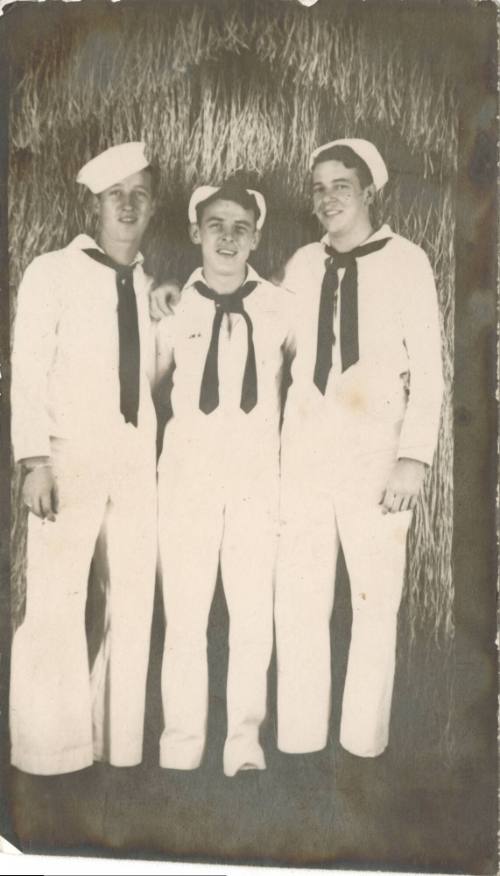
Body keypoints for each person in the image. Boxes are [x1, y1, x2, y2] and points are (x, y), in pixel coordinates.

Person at [274, 138, 444, 762]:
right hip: (306, 457)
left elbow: (429, 369)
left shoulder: (408, 263)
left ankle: (363, 749)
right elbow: (269, 333)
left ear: (369, 191)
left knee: (374, 600)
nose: (327, 199)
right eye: (318, 187)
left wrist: (413, 458)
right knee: (299, 596)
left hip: (377, 460)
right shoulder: (299, 264)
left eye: (340, 185)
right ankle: (298, 742)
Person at [11, 142, 159, 775]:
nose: (127, 206)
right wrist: (32, 461)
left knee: (132, 600)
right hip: (67, 460)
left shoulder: (152, 285)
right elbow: (26, 371)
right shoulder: (51, 271)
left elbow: (154, 375)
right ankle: (50, 755)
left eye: (140, 195)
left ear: (153, 207)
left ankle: (116, 751)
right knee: (54, 600)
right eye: (115, 195)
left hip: (134, 464)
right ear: (96, 203)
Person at [155, 179, 295, 777]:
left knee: (250, 617)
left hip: (256, 485)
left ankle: (243, 744)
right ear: (196, 232)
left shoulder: (281, 307)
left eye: (241, 226)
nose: (229, 237)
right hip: (187, 482)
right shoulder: (169, 307)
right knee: (185, 616)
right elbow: (149, 387)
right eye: (217, 225)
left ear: (257, 236)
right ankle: (182, 745)